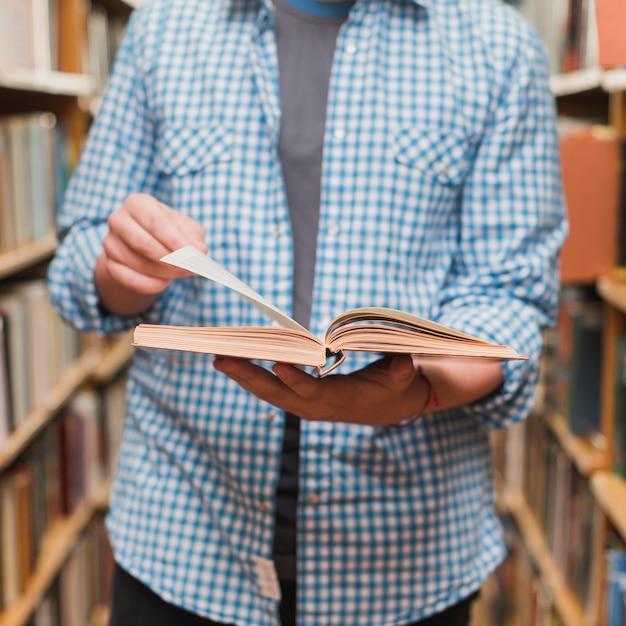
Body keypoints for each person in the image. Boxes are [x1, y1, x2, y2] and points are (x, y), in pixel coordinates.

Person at [47, 0, 567, 623]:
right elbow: (79, 257)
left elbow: (511, 296)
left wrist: (417, 394)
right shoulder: (164, 27)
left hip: (409, 560)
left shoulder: (498, 46)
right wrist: (121, 271)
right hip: (181, 539)